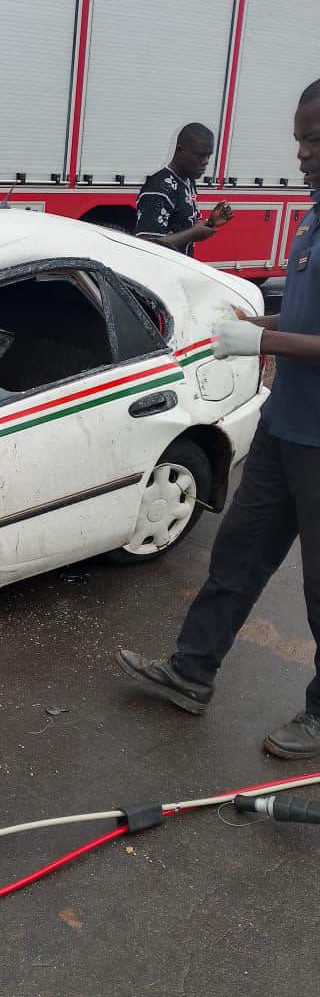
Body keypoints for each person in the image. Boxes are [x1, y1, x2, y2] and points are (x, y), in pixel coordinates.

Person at [119, 79, 320, 761]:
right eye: (299, 138)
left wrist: (260, 343)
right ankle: (190, 672)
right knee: (235, 556)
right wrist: (257, 321)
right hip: (285, 428)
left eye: (314, 140)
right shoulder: (314, 217)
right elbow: (305, 318)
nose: (301, 154)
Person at [135, 123, 233, 256]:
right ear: (180, 150)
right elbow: (146, 245)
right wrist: (192, 234)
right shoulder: (159, 187)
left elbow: (182, 227)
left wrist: (211, 223)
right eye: (200, 155)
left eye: (208, 156)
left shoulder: (188, 180)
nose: (206, 162)